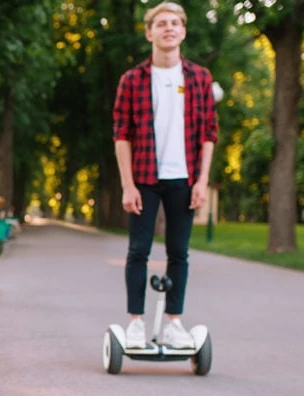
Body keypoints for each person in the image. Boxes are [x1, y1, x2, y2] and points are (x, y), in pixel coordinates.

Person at [112, 1, 218, 349]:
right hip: (144, 177)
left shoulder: (199, 77)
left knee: (179, 253)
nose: (169, 28)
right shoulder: (132, 80)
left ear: (183, 31)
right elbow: (122, 135)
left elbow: (209, 133)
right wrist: (128, 185)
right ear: (150, 33)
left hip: (184, 179)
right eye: (161, 23)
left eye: (175, 23)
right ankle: (135, 324)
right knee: (138, 251)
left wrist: (202, 181)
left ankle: (174, 323)